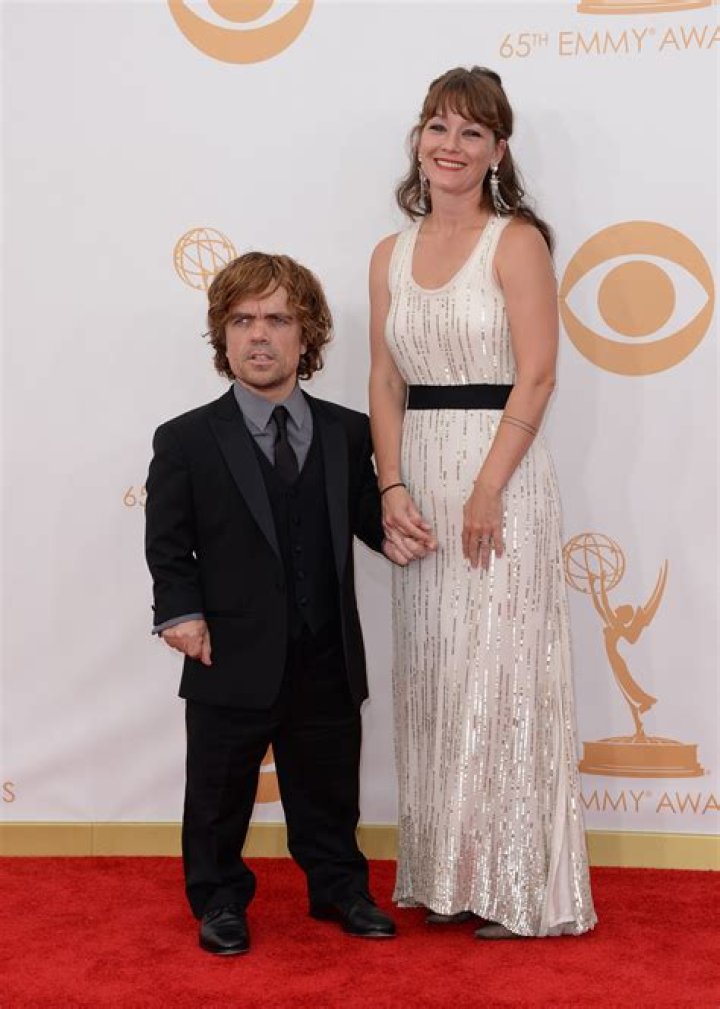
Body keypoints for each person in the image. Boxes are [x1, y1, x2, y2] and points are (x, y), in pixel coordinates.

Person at [369, 67, 597, 938]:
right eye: (438, 126)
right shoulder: (389, 254)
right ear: (419, 140)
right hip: (420, 481)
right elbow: (385, 379)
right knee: (435, 673)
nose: (451, 145)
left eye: (472, 132)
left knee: (502, 675)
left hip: (501, 475)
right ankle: (447, 875)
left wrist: (489, 487)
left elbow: (537, 374)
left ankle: (518, 885)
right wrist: (390, 484)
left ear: (499, 150)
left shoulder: (517, 242)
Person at [146, 252, 426, 955]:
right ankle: (218, 900)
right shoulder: (185, 439)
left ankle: (339, 888)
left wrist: (406, 528)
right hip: (229, 651)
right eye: (242, 320)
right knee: (217, 795)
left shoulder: (347, 432)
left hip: (325, 648)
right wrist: (180, 613)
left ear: (308, 335)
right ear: (223, 335)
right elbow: (168, 545)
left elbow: (368, 517)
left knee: (329, 788)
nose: (259, 335)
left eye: (277, 319)